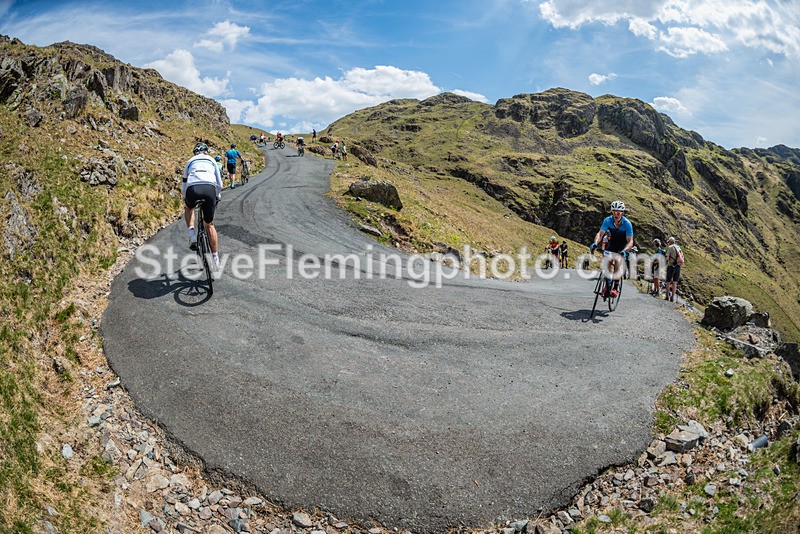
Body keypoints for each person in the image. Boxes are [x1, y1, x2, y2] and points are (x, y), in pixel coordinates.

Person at [183, 142, 223, 267]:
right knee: (209, 224)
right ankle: (215, 259)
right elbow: (219, 183)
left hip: (192, 188)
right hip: (209, 189)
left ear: (195, 152)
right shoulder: (212, 160)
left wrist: (185, 198)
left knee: (189, 208)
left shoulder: (190, 161)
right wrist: (217, 195)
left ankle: (192, 235)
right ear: (206, 151)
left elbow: (184, 183)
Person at [589, 200, 634, 299]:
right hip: (612, 243)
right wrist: (595, 243)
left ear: (622, 213)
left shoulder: (627, 224)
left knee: (617, 261)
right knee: (607, 262)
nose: (616, 214)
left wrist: (625, 251)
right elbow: (600, 234)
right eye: (614, 212)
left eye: (618, 212)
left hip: (623, 245)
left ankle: (615, 287)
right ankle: (607, 285)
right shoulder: (607, 220)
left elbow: (630, 241)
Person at [664, 236, 682, 302]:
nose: (668, 243)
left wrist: (665, 262)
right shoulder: (678, 247)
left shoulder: (670, 247)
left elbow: (667, 258)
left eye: (668, 242)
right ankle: (672, 298)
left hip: (671, 266)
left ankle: (667, 296)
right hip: (678, 266)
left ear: (670, 242)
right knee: (674, 282)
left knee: (668, 282)